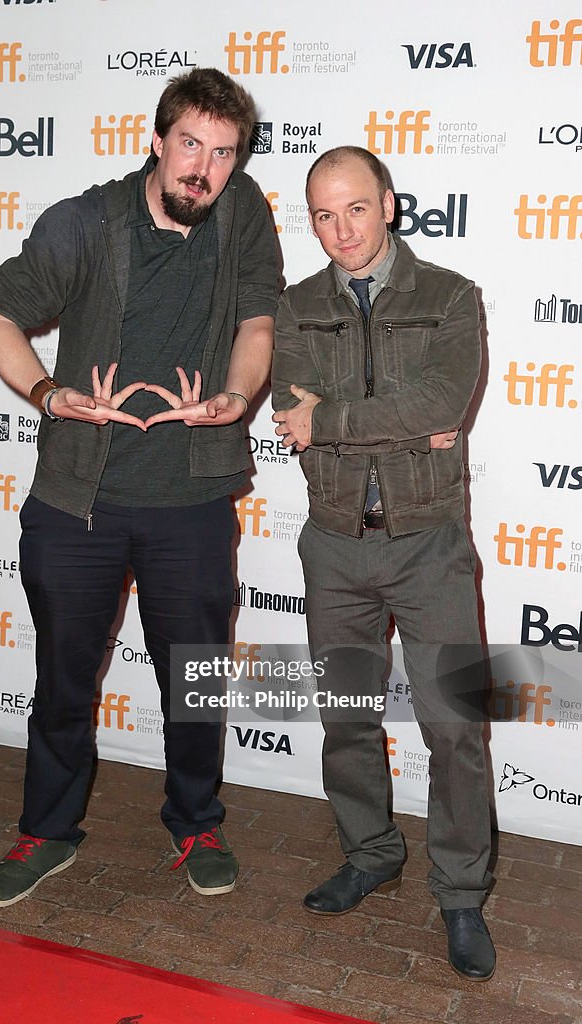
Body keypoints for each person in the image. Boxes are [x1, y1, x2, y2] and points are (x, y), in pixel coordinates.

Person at [0, 68, 279, 907]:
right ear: (156, 139)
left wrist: (237, 399)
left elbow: (258, 319)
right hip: (79, 503)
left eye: (223, 154)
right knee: (64, 678)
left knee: (194, 676)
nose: (204, 171)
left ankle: (195, 823)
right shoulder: (83, 222)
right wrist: (48, 394)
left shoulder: (242, 211)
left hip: (190, 498)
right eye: (190, 146)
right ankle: (47, 832)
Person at [271, 146, 495, 981]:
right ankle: (370, 852)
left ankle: (462, 892)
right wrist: (384, 421)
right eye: (323, 215)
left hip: (428, 543)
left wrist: (330, 419)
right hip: (332, 542)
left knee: (454, 728)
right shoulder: (292, 308)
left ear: (389, 205)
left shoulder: (448, 296)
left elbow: (443, 402)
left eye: (355, 209)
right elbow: (290, 409)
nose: (340, 232)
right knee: (346, 717)